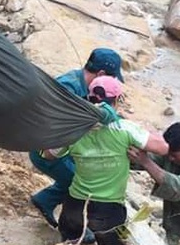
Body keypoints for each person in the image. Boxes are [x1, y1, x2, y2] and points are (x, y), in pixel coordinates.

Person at [50, 76, 168, 245]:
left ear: (88, 98)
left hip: (74, 206)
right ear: (117, 100)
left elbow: (49, 154)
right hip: (109, 210)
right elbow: (163, 148)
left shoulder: (75, 129)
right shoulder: (125, 128)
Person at [29, 48, 124, 227]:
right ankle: (72, 225)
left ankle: (46, 201)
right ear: (101, 74)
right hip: (46, 146)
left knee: (85, 173)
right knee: (81, 184)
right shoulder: (68, 88)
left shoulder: (87, 89)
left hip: (62, 144)